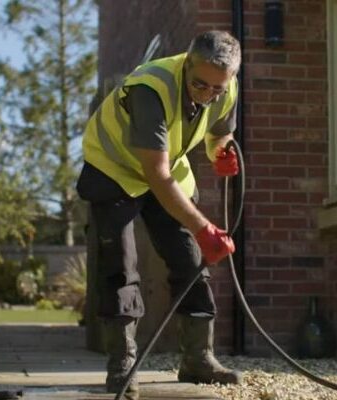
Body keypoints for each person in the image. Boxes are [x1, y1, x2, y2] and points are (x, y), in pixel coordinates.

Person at [76, 30, 242, 399]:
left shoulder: (224, 87)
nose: (208, 94)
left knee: (191, 260)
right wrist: (204, 227)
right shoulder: (150, 89)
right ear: (186, 63)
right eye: (200, 84)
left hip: (167, 170)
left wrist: (221, 152)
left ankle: (198, 359)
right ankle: (122, 364)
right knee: (119, 265)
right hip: (114, 169)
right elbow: (156, 174)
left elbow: (218, 133)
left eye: (217, 89)